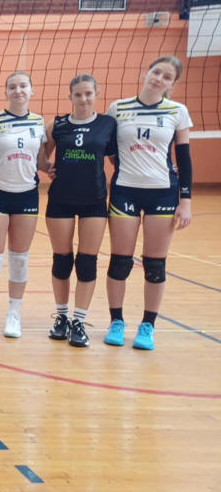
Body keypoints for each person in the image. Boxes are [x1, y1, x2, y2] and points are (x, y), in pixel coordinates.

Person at [104, 56, 192, 351]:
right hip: (124, 191)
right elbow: (110, 150)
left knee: (155, 265)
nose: (159, 79)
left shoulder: (177, 112)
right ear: (146, 72)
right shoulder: (118, 108)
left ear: (172, 84)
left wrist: (186, 201)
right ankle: (116, 322)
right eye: (156, 72)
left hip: (163, 193)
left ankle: (147, 325)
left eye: (167, 77)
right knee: (120, 262)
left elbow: (184, 160)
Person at [44, 74, 117, 348]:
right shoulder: (58, 124)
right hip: (61, 199)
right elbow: (41, 155)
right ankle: (61, 317)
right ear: (70, 96)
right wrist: (46, 167)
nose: (84, 99)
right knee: (62, 260)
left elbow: (117, 160)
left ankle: (79, 321)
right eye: (78, 94)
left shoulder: (107, 124)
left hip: (94, 200)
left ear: (97, 94)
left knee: (87, 262)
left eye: (88, 93)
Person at [0, 72, 49, 339]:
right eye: (12, 87)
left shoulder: (38, 122)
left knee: (19, 259)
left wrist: (57, 168)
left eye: (23, 86)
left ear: (31, 90)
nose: (18, 90)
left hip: (27, 195)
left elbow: (41, 161)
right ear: (6, 92)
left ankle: (13, 314)